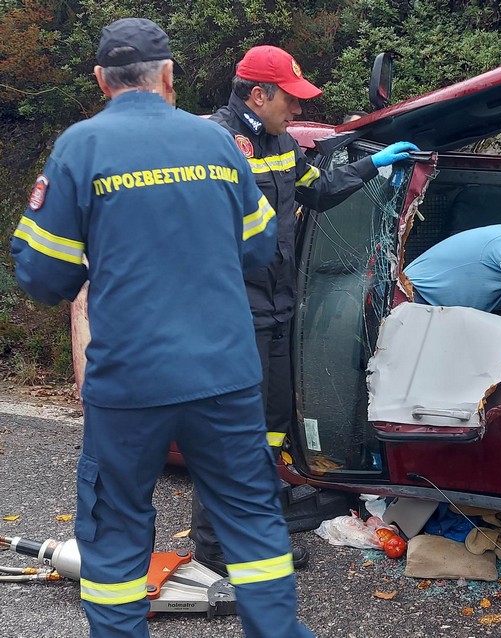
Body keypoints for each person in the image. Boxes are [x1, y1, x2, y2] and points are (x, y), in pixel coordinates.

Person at [11, 18, 312, 638]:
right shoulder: (219, 145)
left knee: (116, 530)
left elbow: (41, 274)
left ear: (101, 81)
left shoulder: (80, 147)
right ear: (169, 77)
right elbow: (258, 247)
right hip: (224, 374)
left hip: (130, 380)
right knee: (253, 521)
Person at [189, 44, 418, 574]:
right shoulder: (220, 145)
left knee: (269, 426)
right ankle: (217, 547)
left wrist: (371, 165)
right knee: (228, 432)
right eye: (289, 100)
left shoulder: (283, 143)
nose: (296, 111)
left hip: (274, 310)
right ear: (258, 94)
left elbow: (317, 191)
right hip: (231, 314)